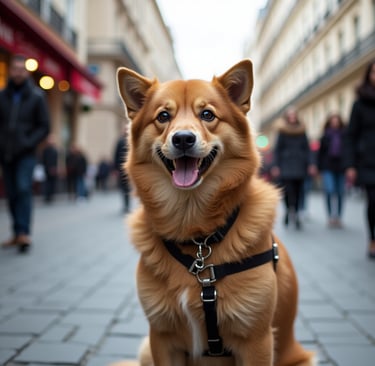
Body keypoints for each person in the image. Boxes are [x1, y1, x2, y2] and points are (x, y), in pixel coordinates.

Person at [0, 54, 50, 252]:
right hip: (5, 153)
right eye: (15, 69)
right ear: (11, 71)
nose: (18, 72)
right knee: (11, 193)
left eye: (21, 69)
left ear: (26, 72)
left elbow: (44, 127)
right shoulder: (2, 96)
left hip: (26, 154)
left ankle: (24, 233)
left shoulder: (37, 96)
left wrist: (28, 142)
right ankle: (16, 232)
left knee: (23, 189)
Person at [345, 59, 375, 258]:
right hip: (368, 161)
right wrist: (351, 165)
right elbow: (351, 136)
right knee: (373, 201)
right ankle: (372, 240)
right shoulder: (360, 103)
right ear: (369, 76)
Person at [271, 107, 316, 230]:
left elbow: (307, 149)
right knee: (287, 191)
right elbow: (277, 150)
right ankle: (287, 210)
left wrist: (311, 164)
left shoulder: (302, 131)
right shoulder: (282, 131)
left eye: (293, 115)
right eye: (290, 115)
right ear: (287, 117)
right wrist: (276, 166)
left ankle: (295, 213)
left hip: (300, 165)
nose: (292, 117)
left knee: (298, 191)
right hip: (286, 165)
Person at [318, 113, 346, 228]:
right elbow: (320, 154)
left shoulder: (344, 135)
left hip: (341, 166)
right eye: (333, 120)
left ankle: (338, 216)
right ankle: (330, 216)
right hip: (328, 167)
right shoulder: (325, 136)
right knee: (329, 191)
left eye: (337, 120)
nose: (335, 122)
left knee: (340, 192)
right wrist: (319, 167)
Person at [114, 126, 131, 213]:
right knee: (124, 188)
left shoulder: (131, 141)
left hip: (129, 168)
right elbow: (116, 155)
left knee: (128, 188)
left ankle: (127, 205)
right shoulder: (120, 141)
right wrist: (115, 169)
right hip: (121, 168)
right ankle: (125, 205)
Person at [41, 133, 59, 203]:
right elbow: (44, 160)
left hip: (53, 168)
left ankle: (51, 196)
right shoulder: (46, 150)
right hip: (47, 168)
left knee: (52, 183)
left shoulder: (54, 150)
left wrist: (55, 168)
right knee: (47, 183)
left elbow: (56, 160)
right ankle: (47, 196)